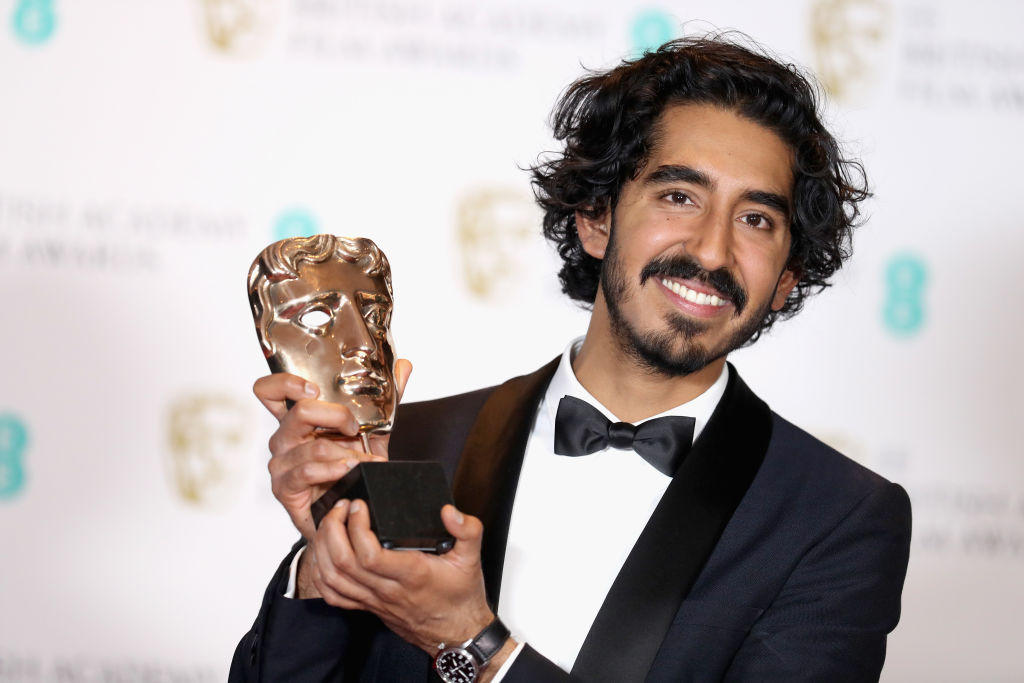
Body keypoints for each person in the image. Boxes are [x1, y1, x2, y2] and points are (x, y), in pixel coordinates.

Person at [230, 34, 911, 683]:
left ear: (786, 275)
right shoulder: (409, 445)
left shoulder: (838, 518)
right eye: (679, 196)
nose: (711, 251)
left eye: (756, 219)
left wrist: (474, 641)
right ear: (595, 218)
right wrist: (320, 570)